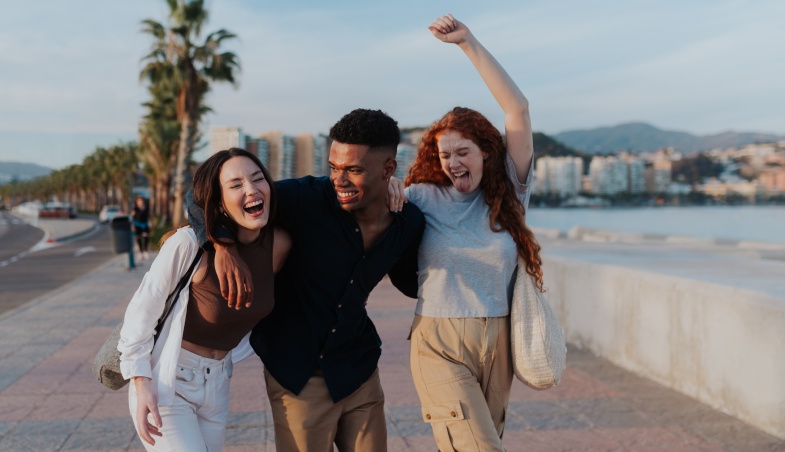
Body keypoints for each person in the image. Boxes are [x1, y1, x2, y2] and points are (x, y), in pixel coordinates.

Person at [188, 109, 425, 451]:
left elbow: (410, 281)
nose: (339, 181)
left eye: (353, 170)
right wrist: (222, 245)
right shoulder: (304, 200)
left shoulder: (407, 222)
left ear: (389, 169)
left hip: (358, 369)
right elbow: (199, 196)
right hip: (298, 376)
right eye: (334, 167)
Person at [400, 14, 542, 451]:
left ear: (487, 152)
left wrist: (469, 44)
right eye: (445, 154)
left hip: (498, 342)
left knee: (479, 442)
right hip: (438, 341)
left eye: (463, 151)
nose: (453, 162)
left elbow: (517, 109)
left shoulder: (511, 196)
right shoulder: (421, 196)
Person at [118, 148, 291, 452]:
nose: (251, 189)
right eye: (235, 185)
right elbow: (141, 311)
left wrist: (397, 187)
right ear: (218, 202)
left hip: (219, 383)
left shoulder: (279, 245)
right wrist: (139, 382)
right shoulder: (187, 245)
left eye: (257, 179)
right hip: (169, 383)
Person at [132, 196, 151, 261]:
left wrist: (151, 223)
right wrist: (132, 226)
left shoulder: (146, 208)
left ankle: (145, 252)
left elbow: (150, 216)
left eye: (141, 200)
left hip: (145, 225)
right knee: (138, 238)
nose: (140, 202)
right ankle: (140, 253)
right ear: (137, 202)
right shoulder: (135, 208)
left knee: (146, 238)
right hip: (137, 225)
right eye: (139, 200)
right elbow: (133, 217)